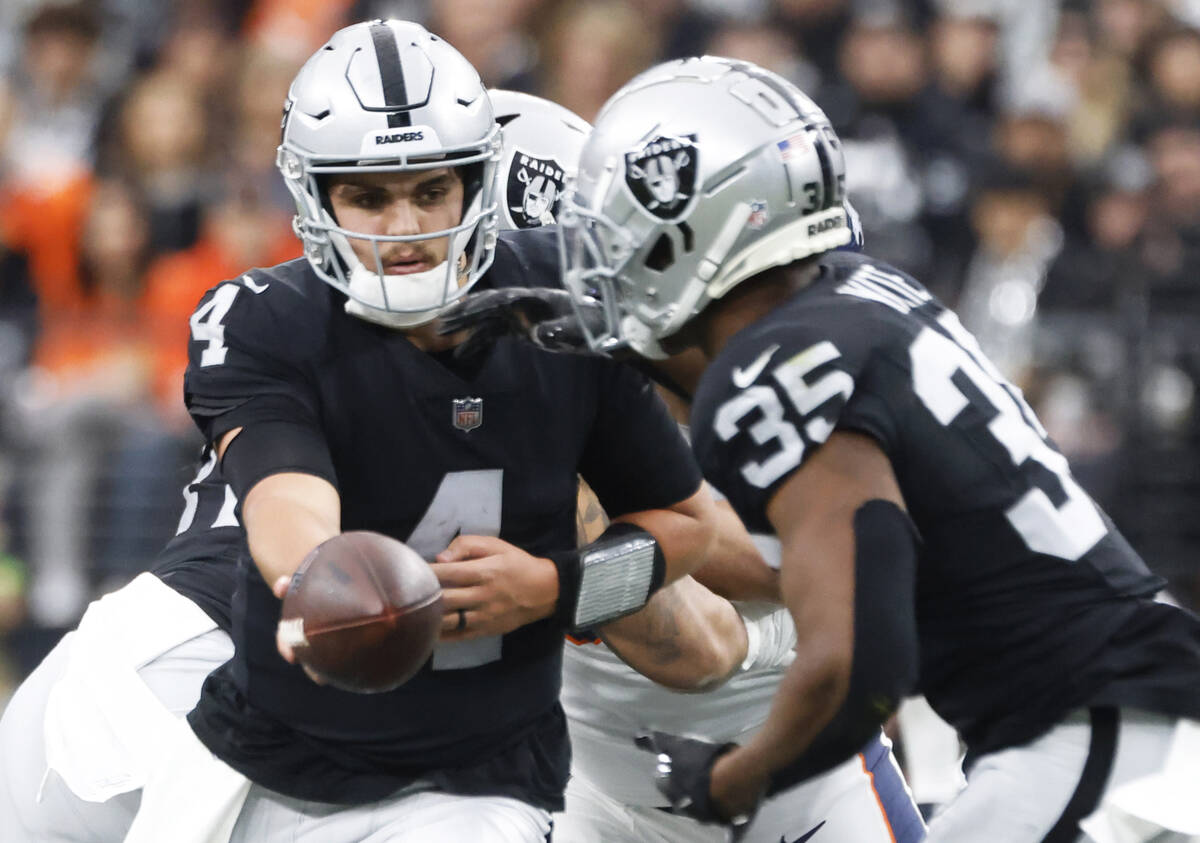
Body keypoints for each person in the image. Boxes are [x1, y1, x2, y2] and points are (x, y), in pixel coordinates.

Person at [0, 22, 720, 842]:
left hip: (429, 766)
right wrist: (335, 580)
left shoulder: (571, 324)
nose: (407, 229)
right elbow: (290, 515)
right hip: (194, 681)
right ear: (314, 200)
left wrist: (560, 586)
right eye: (369, 195)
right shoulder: (273, 318)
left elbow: (691, 549)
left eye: (433, 191)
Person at [451, 56, 1200, 842]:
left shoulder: (776, 377)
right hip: (1121, 704)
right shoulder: (860, 293)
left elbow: (853, 666)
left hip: (1094, 733)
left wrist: (727, 779)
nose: (603, 267)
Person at [473, 89, 923, 843]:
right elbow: (692, 643)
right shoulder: (456, 407)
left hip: (793, 765)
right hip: (581, 781)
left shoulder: (747, 348)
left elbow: (720, 611)